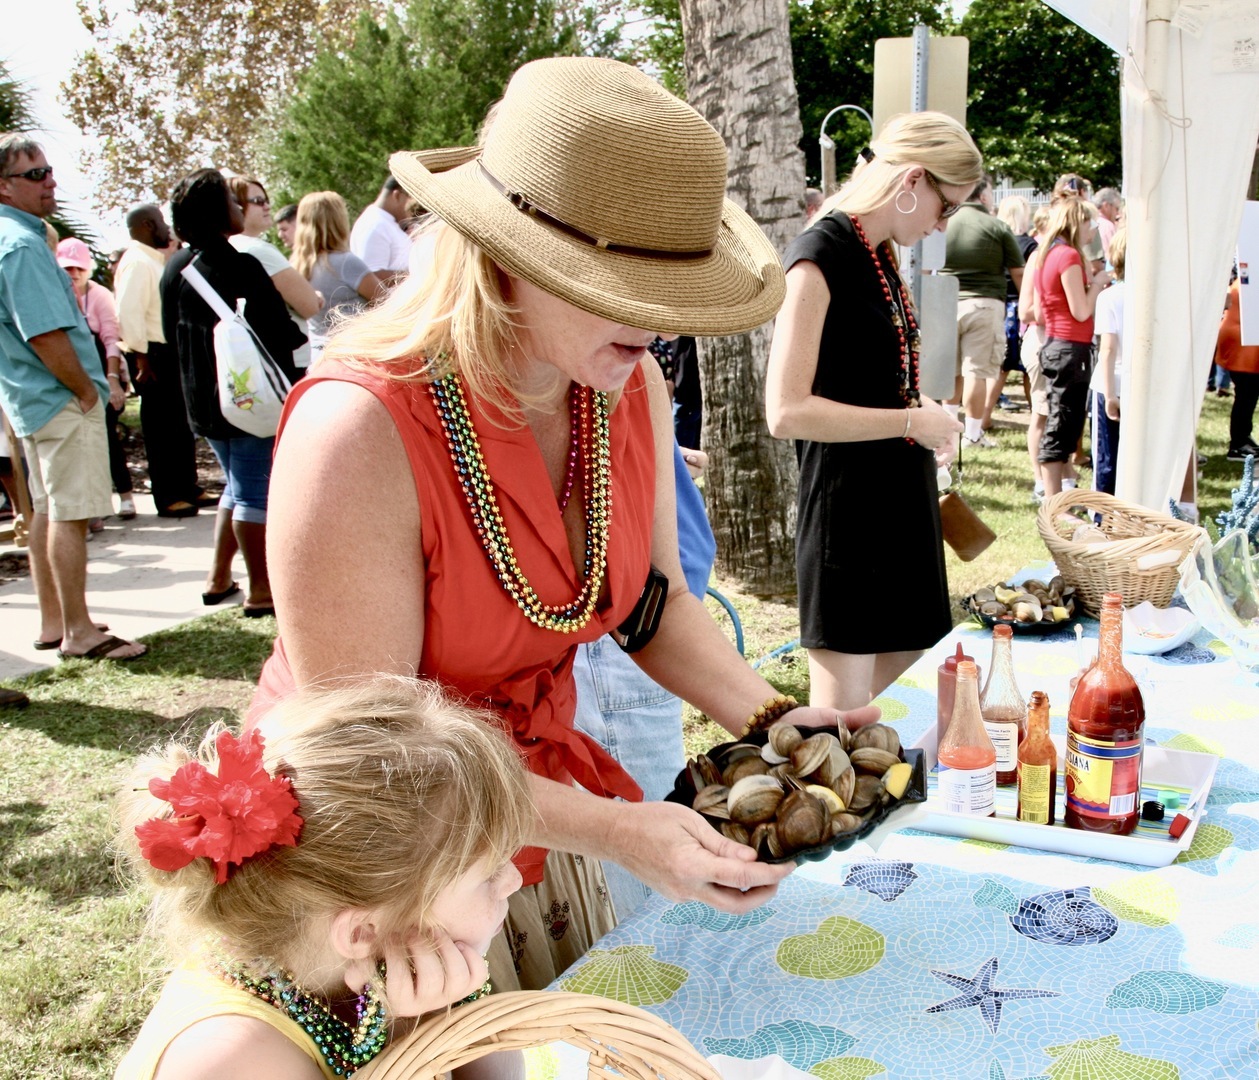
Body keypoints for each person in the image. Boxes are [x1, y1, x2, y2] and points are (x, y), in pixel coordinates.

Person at [254, 57, 876, 993]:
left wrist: (777, 720)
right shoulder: (359, 429)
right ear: (508, 255)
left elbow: (650, 604)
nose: (664, 322)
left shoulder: (627, 387)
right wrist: (616, 829)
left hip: (531, 827)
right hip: (383, 872)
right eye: (623, 283)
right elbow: (375, 754)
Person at [113, 678, 532, 1080]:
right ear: (364, 930)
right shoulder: (236, 1057)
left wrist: (447, 1009)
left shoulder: (365, 971)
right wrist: (414, 1035)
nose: (512, 879)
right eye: (489, 872)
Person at [765, 113, 976, 711]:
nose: (943, 223)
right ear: (913, 180)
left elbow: (864, 379)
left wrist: (921, 408)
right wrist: (911, 422)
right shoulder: (819, 256)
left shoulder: (877, 251)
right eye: (947, 207)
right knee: (840, 730)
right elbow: (785, 411)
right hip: (848, 518)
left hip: (898, 509)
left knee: (899, 710)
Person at [0, 133, 146, 661]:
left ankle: (56, 621)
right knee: (69, 513)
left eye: (48, 170)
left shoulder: (12, 239)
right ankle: (79, 632)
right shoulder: (19, 245)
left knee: (46, 509)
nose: (49, 181)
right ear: (4, 186)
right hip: (58, 399)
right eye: (35, 174)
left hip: (32, 401)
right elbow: (43, 333)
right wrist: (86, 389)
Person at [162, 169, 307, 617]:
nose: (240, 206)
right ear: (217, 210)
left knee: (237, 484)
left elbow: (171, 334)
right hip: (248, 401)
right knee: (253, 494)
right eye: (231, 198)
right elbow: (281, 333)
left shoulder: (175, 268)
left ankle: (219, 577)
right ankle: (263, 591)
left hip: (201, 400)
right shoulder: (241, 265)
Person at [115, 203, 205, 518]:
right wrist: (141, 357)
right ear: (148, 224)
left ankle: (188, 487)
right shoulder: (137, 263)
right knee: (161, 429)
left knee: (179, 425)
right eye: (162, 222)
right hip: (150, 355)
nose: (168, 228)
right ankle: (168, 497)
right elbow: (128, 314)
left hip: (164, 352)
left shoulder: (151, 261)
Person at [1023, 197, 1111, 498]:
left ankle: (1057, 494)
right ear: (1077, 221)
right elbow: (1081, 310)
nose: (1093, 230)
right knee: (1063, 424)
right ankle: (1052, 498)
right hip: (1069, 346)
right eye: (1090, 223)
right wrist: (1098, 283)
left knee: (1064, 421)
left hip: (1058, 345)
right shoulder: (1068, 255)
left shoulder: (1047, 253)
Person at [941, 175, 1024, 444]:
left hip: (944, 300)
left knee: (950, 371)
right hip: (984, 303)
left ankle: (949, 430)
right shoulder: (997, 226)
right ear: (984, 196)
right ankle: (973, 433)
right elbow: (1018, 272)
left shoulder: (944, 223)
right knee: (975, 372)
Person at [56, 237, 135, 522]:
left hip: (104, 371)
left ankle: (125, 495)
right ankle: (92, 509)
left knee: (106, 437)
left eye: (79, 268)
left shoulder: (99, 295)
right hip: (71, 373)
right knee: (78, 443)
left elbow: (112, 341)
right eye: (67, 268)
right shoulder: (55, 295)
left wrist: (112, 381)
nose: (73, 274)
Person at [227, 176, 322, 372]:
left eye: (266, 200)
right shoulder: (257, 250)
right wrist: (317, 297)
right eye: (258, 201)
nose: (267, 206)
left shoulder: (227, 248)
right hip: (291, 361)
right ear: (235, 205)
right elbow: (310, 306)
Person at [290, 191, 386, 361]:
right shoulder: (345, 263)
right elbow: (385, 301)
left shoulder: (297, 266)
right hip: (356, 353)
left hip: (320, 355)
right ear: (338, 221)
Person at [1090, 226, 1127, 493]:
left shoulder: (1109, 297)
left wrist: (1110, 395)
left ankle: (1103, 517)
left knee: (1106, 457)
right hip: (1143, 385)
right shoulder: (1159, 297)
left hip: (1111, 382)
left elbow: (1108, 349)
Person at [1215, 276, 1259, 461]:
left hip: (1242, 343)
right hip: (1243, 345)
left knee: (1247, 394)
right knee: (1246, 394)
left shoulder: (1247, 277)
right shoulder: (1250, 279)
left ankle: (1242, 439)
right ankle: (1239, 444)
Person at [349, 176, 412, 279]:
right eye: (410, 200)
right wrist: (419, 275)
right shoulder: (374, 224)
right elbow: (373, 274)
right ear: (397, 195)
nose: (411, 208)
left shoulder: (384, 222)